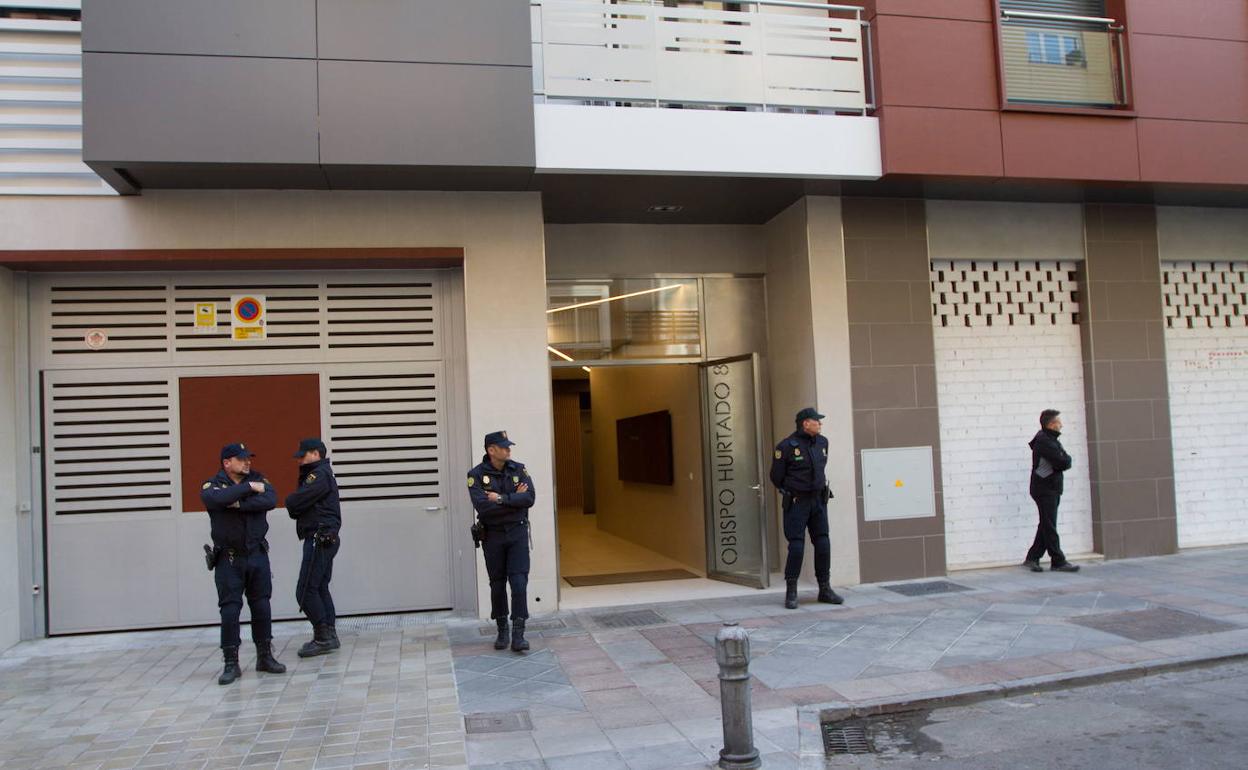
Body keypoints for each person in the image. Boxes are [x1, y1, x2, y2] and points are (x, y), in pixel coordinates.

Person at [201, 442, 285, 685]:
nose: (248, 462)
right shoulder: (213, 484)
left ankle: (265, 656)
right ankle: (231, 662)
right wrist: (249, 488)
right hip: (229, 558)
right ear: (227, 463)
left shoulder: (261, 479)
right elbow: (215, 499)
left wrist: (238, 504)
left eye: (248, 458)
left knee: (261, 605)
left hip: (257, 554)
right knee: (230, 609)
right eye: (241, 459)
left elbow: (269, 499)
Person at [466, 431, 536, 652]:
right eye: (504, 447)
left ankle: (519, 634)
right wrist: (514, 501)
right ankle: (502, 630)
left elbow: (530, 498)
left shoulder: (519, 469)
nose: (509, 450)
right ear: (491, 450)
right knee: (497, 584)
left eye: (509, 447)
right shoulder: (476, 475)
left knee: (519, 583)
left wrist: (501, 498)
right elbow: (483, 508)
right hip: (493, 535)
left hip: (517, 534)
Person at [770, 407, 843, 610]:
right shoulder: (785, 447)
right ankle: (791, 591)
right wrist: (792, 490)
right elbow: (776, 476)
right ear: (805, 423)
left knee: (823, 542)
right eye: (816, 421)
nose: (820, 424)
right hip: (797, 502)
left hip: (818, 500)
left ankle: (825, 588)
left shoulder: (822, 442)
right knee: (796, 546)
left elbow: (822, 466)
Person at [285, 437, 343, 657]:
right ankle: (329, 634)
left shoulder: (318, 475)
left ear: (316, 454)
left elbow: (295, 503)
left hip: (320, 538)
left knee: (305, 591)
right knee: (319, 587)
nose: (300, 460)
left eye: (303, 455)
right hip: (324, 537)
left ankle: (322, 637)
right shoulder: (323, 473)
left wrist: (292, 502)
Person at [1023, 410, 1080, 573]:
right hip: (1045, 489)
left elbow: (1065, 459)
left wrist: (1065, 459)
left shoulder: (1050, 439)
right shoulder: (1045, 441)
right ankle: (1058, 560)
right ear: (1051, 424)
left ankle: (1033, 557)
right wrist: (1064, 459)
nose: (1061, 425)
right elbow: (1063, 461)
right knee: (1049, 525)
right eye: (1058, 422)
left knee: (1046, 524)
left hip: (1050, 488)